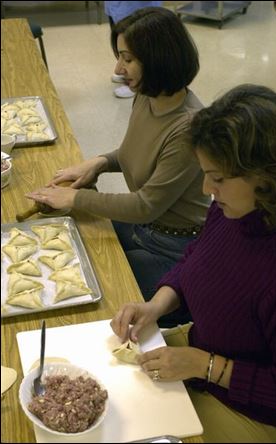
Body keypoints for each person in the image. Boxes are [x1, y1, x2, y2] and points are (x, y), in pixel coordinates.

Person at [110, 84, 276, 443]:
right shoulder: (235, 208)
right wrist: (156, 305)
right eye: (205, 174)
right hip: (202, 356)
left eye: (219, 179)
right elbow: (199, 258)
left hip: (257, 410)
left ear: (269, 176)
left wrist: (206, 365)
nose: (205, 190)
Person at [26, 7, 211, 327]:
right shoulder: (148, 95)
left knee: (88, 294)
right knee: (67, 247)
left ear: (156, 59)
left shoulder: (189, 127)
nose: (117, 67)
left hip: (172, 249)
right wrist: (98, 163)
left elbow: (146, 206)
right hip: (144, 231)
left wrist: (75, 198)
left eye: (127, 59)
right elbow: (132, 151)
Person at [104, 1, 162, 98]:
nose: (117, 70)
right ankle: (130, 74)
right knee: (123, 46)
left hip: (136, 7)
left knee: (138, 48)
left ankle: (140, 81)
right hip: (116, 6)